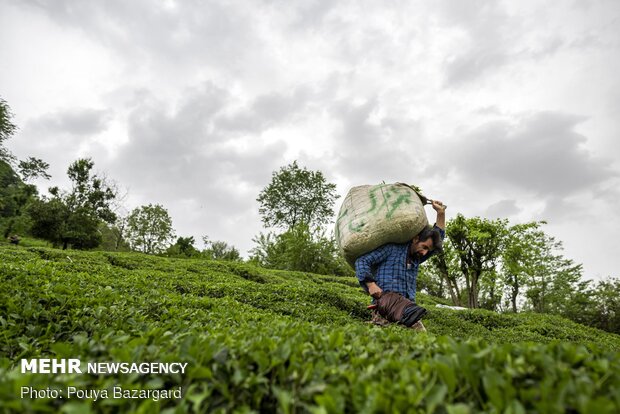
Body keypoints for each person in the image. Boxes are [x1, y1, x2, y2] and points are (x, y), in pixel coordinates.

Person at [355, 200, 447, 332]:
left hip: (407, 311)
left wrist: (440, 213)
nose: (425, 252)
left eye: (428, 249)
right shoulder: (392, 249)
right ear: (415, 239)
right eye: (424, 247)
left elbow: (439, 236)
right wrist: (371, 284)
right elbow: (362, 261)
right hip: (385, 308)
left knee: (419, 340)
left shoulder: (416, 258)